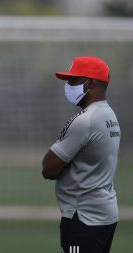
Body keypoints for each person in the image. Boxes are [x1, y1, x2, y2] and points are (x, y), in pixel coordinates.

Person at [42, 56, 121, 253]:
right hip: (105, 213)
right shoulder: (109, 115)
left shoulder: (84, 121)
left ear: (91, 83)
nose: (68, 86)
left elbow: (49, 169)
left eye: (74, 80)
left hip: (84, 217)